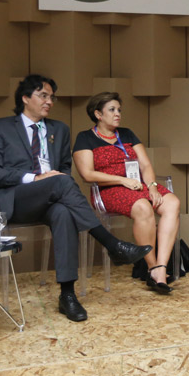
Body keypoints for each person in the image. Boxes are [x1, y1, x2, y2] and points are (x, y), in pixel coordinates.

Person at [0, 75, 151, 322]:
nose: (49, 102)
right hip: (15, 199)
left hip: (51, 198)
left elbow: (65, 170)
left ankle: (67, 295)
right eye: (43, 96)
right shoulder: (1, 127)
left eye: (52, 97)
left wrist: (53, 181)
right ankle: (111, 244)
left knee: (63, 211)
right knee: (60, 183)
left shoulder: (59, 129)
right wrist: (34, 178)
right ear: (25, 98)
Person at [73, 92, 181, 294]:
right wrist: (122, 180)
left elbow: (145, 165)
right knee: (143, 207)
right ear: (98, 114)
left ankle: (161, 266)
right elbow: (87, 174)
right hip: (109, 189)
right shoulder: (85, 138)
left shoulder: (127, 134)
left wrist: (152, 186)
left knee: (172, 203)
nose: (118, 114)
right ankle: (152, 268)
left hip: (138, 185)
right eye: (112, 110)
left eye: (119, 110)